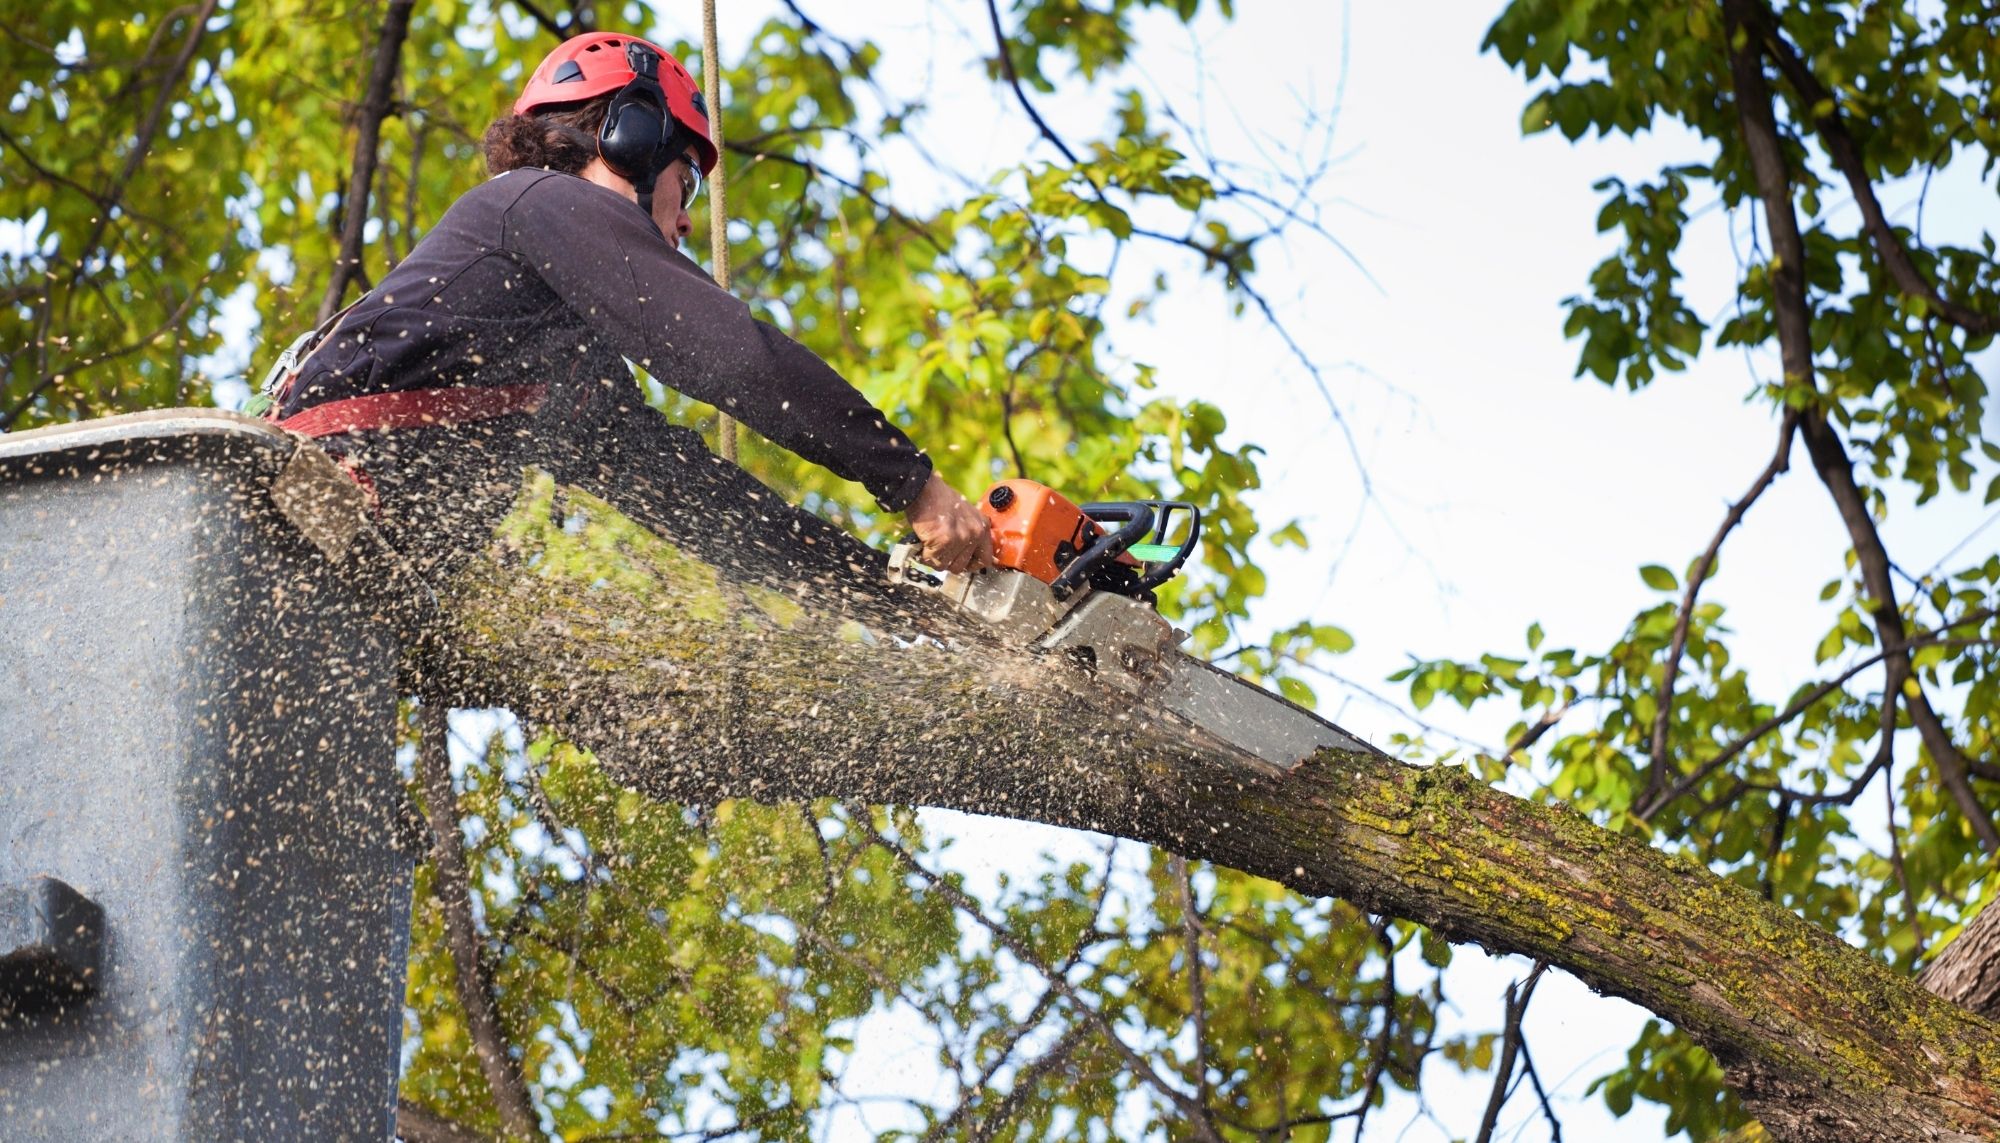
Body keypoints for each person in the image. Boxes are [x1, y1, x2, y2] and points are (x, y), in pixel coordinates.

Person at [264, 30, 994, 581]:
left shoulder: (561, 357)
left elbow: (695, 500)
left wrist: (889, 588)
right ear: (632, 138)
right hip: (290, 516)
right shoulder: (539, 201)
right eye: (688, 181)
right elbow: (733, 356)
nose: (685, 222)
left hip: (335, 572)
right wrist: (913, 483)